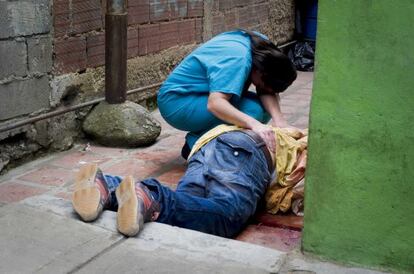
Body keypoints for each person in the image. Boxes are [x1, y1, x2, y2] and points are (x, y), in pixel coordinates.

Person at [72, 128, 275, 238]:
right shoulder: (296, 140)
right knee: (228, 216)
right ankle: (152, 197)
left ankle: (107, 185)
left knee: (190, 211)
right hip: (246, 150)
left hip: (205, 145)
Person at [157, 29, 297, 159]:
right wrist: (255, 125)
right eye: (263, 85)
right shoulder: (238, 59)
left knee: (266, 110)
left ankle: (205, 136)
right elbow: (215, 104)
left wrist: (280, 122)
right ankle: (195, 145)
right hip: (177, 102)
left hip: (200, 96)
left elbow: (266, 91)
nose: (264, 90)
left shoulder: (262, 47)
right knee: (253, 112)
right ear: (260, 72)